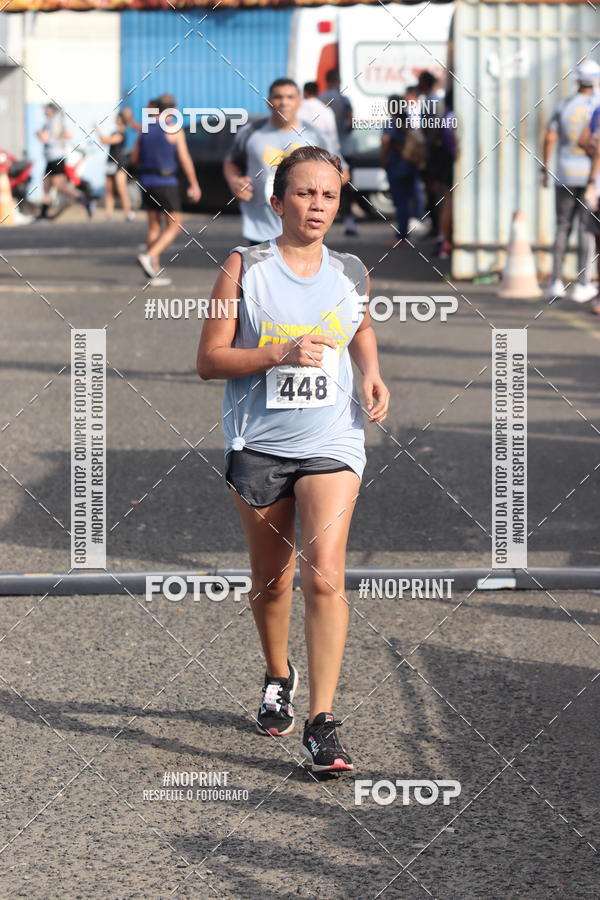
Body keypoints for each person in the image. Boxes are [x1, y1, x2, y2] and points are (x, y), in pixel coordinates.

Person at [197, 145, 389, 773]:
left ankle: (322, 722)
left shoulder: (352, 270)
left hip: (332, 441)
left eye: (328, 195)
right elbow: (210, 360)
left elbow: (358, 326)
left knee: (325, 574)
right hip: (259, 445)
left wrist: (371, 374)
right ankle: (278, 672)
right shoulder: (242, 269)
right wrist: (279, 353)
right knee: (272, 580)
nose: (317, 205)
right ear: (277, 202)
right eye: (304, 193)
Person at [223, 78, 349, 246]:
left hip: (305, 227)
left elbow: (343, 173)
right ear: (269, 102)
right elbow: (231, 162)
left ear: (299, 102)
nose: (284, 102)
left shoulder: (315, 136)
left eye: (290, 97)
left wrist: (319, 194)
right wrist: (234, 182)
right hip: (261, 228)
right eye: (278, 97)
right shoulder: (250, 132)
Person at [542, 60, 600, 301]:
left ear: (577, 80)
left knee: (562, 226)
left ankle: (556, 281)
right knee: (586, 230)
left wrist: (544, 168)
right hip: (591, 177)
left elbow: (551, 136)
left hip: (564, 173)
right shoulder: (597, 105)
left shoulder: (564, 104)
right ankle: (583, 283)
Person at [131, 93, 201, 286]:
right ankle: (149, 255)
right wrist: (194, 184)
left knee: (154, 226)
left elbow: (135, 158)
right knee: (175, 225)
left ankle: (153, 270)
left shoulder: (144, 129)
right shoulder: (173, 129)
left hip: (146, 182)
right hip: (166, 182)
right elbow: (185, 159)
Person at [380, 94, 425, 246]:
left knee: (400, 202)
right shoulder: (407, 122)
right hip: (410, 165)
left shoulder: (391, 123)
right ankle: (404, 234)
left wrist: (383, 159)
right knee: (406, 201)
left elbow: (386, 141)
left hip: (396, 166)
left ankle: (401, 236)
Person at [319, 68, 359, 237]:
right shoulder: (344, 100)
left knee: (322, 186)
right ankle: (348, 220)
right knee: (346, 187)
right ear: (338, 81)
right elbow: (350, 122)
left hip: (325, 150)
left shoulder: (320, 100)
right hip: (344, 148)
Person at [36, 102, 92, 220]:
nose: (44, 111)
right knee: (46, 187)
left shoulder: (55, 122)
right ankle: (43, 214)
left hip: (57, 159)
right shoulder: (49, 122)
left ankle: (85, 200)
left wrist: (40, 135)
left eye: (46, 109)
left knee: (60, 187)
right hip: (50, 159)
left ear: (51, 110)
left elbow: (46, 138)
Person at [94, 113, 135, 221]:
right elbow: (103, 141)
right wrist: (98, 131)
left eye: (118, 118)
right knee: (109, 190)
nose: (115, 119)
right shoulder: (114, 132)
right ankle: (109, 214)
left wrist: (98, 129)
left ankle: (128, 212)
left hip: (119, 163)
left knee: (121, 189)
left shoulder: (122, 133)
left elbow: (108, 140)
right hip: (110, 162)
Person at [300, 82, 340, 154]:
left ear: (304, 92)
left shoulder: (297, 109)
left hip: (300, 152)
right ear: (317, 92)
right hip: (321, 153)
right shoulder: (326, 110)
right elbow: (333, 137)